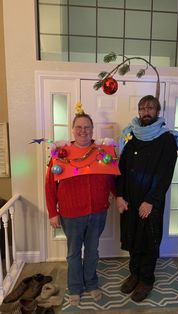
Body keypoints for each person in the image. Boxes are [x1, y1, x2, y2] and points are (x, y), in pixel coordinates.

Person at [116, 95, 178, 302]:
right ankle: (134, 274)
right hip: (129, 199)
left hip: (150, 201)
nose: (146, 111)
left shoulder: (166, 139)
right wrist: (119, 195)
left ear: (157, 111)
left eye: (150, 108)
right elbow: (121, 169)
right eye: (142, 108)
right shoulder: (131, 136)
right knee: (132, 237)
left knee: (148, 241)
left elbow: (165, 174)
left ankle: (146, 279)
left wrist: (151, 201)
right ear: (138, 112)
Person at [45, 112, 119, 306]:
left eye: (87, 127)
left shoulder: (102, 152)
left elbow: (111, 178)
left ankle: (92, 283)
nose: (83, 131)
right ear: (72, 130)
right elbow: (50, 185)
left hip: (97, 213)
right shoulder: (61, 154)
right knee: (73, 253)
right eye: (79, 127)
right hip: (71, 214)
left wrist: (118, 196)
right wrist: (53, 212)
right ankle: (75, 287)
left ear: (92, 130)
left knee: (93, 252)